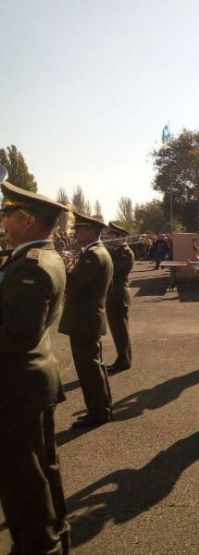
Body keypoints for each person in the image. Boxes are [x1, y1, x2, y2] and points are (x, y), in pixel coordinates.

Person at [0, 177, 72, 554]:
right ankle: (56, 536)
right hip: (30, 382)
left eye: (7, 215)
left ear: (26, 219)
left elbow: (18, 333)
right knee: (43, 471)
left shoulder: (33, 265)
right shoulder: (37, 257)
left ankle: (37, 545)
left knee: (21, 480)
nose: (3, 222)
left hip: (16, 386)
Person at [58, 212, 114, 428]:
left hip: (84, 319)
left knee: (88, 369)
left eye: (79, 230)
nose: (76, 234)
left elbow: (74, 283)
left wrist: (60, 268)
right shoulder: (98, 252)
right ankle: (101, 409)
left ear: (90, 231)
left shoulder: (93, 255)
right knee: (93, 367)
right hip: (89, 316)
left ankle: (98, 412)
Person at [104, 223, 135, 373]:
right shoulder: (114, 251)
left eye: (111, 235)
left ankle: (124, 361)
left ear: (120, 237)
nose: (108, 238)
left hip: (118, 295)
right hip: (113, 295)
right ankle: (123, 359)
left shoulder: (125, 253)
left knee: (120, 331)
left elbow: (111, 270)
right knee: (117, 330)